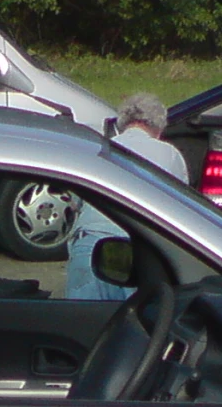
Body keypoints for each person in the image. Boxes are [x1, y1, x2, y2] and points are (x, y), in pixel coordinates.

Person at [67, 93, 184, 299]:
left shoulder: (98, 149)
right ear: (159, 128)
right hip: (139, 247)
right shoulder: (170, 154)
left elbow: (76, 202)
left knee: (83, 322)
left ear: (122, 124)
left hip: (91, 243)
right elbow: (181, 206)